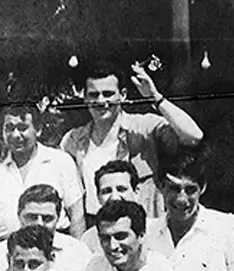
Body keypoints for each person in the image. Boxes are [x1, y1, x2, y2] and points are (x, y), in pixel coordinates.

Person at [60, 62, 203, 221]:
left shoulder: (144, 128)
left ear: (123, 95)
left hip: (143, 225)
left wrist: (155, 97)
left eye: (108, 94)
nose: (101, 101)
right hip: (95, 227)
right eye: (94, 95)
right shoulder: (72, 140)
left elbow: (193, 136)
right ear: (85, 98)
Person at [0, 103, 85, 238]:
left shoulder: (60, 161)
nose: (16, 135)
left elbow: (77, 216)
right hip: (3, 246)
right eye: (9, 128)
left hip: (52, 244)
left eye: (22, 128)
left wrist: (77, 248)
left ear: (38, 129)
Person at [77, 160, 165, 257]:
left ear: (136, 191)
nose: (114, 197)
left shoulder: (157, 231)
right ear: (98, 197)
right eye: (107, 191)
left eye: (121, 189)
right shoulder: (89, 239)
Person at [11, 184, 93, 271]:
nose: (39, 224)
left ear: (58, 218)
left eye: (47, 218)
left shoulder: (78, 252)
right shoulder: (1, 253)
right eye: (32, 217)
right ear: (19, 216)